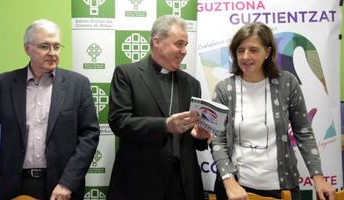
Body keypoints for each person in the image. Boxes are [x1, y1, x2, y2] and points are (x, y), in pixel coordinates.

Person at [0, 19, 100, 200]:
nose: (53, 53)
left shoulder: (77, 85)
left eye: (57, 46)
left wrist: (68, 182)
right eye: (45, 46)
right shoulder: (4, 85)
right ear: (27, 48)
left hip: (61, 188)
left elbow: (89, 136)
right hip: (15, 185)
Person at [210, 22, 336, 200]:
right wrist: (229, 181)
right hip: (237, 189)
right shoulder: (224, 89)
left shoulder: (287, 83)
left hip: (282, 188)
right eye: (240, 50)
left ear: (267, 52)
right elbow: (217, 139)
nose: (245, 56)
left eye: (253, 50)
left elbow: (303, 131)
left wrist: (318, 177)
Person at [107, 15, 212, 200]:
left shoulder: (191, 83)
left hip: (183, 184)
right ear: (157, 41)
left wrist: (201, 137)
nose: (184, 51)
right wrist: (164, 125)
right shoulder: (127, 74)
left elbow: (193, 138)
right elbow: (119, 122)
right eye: (179, 44)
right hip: (141, 182)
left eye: (186, 45)